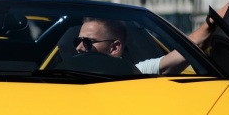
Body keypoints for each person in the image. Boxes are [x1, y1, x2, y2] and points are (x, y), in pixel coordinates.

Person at [75, 13, 216, 75]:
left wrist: (213, 21)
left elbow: (197, 41)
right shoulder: (61, 75)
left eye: (87, 42)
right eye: (78, 41)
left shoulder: (135, 73)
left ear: (114, 48)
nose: (78, 48)